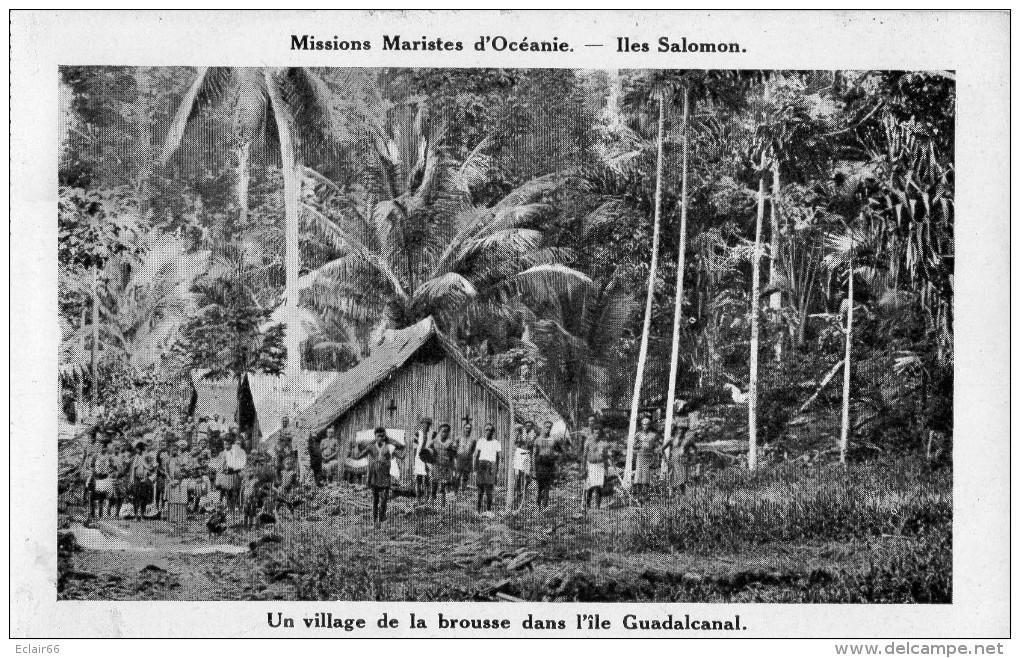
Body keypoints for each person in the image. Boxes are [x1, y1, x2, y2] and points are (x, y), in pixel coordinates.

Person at [355, 427, 405, 526]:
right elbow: (358, 456)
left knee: (384, 499)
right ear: (375, 436)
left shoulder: (389, 447)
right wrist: (358, 446)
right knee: (375, 499)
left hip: (385, 475)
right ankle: (374, 519)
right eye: (378, 436)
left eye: (383, 436)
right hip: (374, 475)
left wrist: (389, 439)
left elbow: (401, 453)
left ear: (385, 436)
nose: (381, 438)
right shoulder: (370, 447)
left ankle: (381, 519)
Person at [663, 413, 696, 497]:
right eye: (679, 429)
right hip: (673, 461)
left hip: (682, 461)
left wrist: (691, 459)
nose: (681, 431)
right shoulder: (672, 439)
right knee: (673, 479)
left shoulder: (687, 440)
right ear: (676, 430)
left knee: (682, 480)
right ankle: (671, 496)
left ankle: (683, 496)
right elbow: (661, 449)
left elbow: (695, 449)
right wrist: (666, 460)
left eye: (683, 429)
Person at [532, 420, 562, 508]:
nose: (548, 429)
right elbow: (534, 455)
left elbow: (561, 452)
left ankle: (545, 506)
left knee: (547, 486)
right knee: (540, 486)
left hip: (550, 465)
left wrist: (557, 462)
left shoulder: (553, 440)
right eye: (546, 427)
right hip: (540, 465)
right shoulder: (537, 440)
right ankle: (538, 505)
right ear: (543, 428)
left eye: (550, 428)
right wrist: (534, 470)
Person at [473, 423, 501, 514]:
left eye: (490, 430)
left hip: (491, 465)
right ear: (484, 431)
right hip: (481, 465)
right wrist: (475, 469)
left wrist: (497, 470)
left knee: (489, 490)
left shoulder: (496, 443)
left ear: (493, 432)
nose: (488, 432)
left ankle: (488, 511)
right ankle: (478, 510)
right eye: (486, 430)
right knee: (480, 489)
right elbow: (476, 455)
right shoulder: (480, 441)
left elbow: (498, 457)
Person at [217, 433, 247, 517]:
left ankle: (234, 509)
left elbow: (239, 464)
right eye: (225, 443)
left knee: (234, 492)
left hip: (234, 476)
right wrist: (222, 468)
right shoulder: (222, 454)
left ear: (231, 444)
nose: (226, 445)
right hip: (225, 477)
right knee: (226, 493)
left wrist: (234, 467)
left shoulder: (235, 453)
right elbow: (219, 465)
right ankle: (227, 509)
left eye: (228, 443)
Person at [632, 415, 660, 502]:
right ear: (641, 425)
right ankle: (638, 496)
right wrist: (639, 445)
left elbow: (657, 445)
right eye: (644, 424)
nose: (645, 426)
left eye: (647, 424)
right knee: (638, 477)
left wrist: (656, 451)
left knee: (646, 477)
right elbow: (633, 445)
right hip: (640, 456)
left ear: (650, 425)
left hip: (648, 457)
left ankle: (646, 495)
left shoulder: (653, 435)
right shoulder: (638, 434)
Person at [583, 427, 611, 510]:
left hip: (600, 466)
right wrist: (584, 467)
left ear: (601, 434)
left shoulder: (603, 444)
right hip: (591, 465)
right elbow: (584, 456)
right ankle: (587, 505)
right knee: (590, 487)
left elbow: (606, 458)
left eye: (598, 433)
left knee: (599, 487)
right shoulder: (588, 442)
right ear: (593, 433)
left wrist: (606, 470)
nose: (597, 435)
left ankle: (597, 506)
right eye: (595, 433)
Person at [89, 436, 116, 519]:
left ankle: (101, 513)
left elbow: (113, 467)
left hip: (105, 478)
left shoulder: (109, 457)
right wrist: (95, 472)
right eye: (101, 447)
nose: (103, 449)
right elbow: (91, 465)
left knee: (103, 497)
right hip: (96, 477)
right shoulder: (95, 456)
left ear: (106, 448)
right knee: (92, 494)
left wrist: (109, 472)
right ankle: (92, 512)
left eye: (104, 448)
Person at [163, 440, 189, 525]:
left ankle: (181, 519)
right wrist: (170, 481)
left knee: (181, 500)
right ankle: (172, 518)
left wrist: (180, 478)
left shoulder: (180, 459)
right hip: (171, 482)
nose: (174, 451)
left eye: (175, 450)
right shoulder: (168, 460)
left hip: (180, 482)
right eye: (172, 450)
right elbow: (166, 472)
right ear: (170, 451)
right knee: (172, 500)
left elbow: (184, 469)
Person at [428, 423, 454, 505]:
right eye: (442, 431)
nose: (444, 433)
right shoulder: (434, 441)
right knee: (434, 485)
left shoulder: (450, 443)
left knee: (443, 486)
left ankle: (443, 506)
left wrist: (452, 469)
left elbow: (452, 457)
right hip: (436, 466)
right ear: (439, 432)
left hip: (445, 467)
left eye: (446, 432)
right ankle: (431, 503)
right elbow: (428, 451)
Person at [129, 441, 153, 518]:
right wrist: (132, 479)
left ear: (141, 449)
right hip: (136, 479)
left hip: (144, 479)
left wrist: (145, 477)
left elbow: (150, 467)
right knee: (136, 497)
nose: (136, 450)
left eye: (138, 449)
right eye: (136, 449)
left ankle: (142, 514)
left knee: (143, 497)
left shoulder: (146, 457)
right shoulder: (134, 458)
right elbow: (132, 469)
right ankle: (136, 515)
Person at [512, 423, 534, 506]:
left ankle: (524, 490)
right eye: (527, 425)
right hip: (519, 453)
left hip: (527, 454)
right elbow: (515, 442)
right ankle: (518, 492)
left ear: (531, 427)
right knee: (518, 474)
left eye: (530, 426)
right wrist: (518, 433)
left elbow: (532, 446)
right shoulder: (520, 433)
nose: (528, 427)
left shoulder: (532, 434)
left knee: (527, 475)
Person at [412, 417, 433, 498]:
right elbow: (415, 448)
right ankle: (418, 497)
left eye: (428, 424)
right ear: (422, 424)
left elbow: (434, 446)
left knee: (428, 478)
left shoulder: (432, 434)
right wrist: (415, 461)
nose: (426, 425)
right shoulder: (417, 434)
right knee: (418, 478)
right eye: (424, 423)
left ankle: (427, 497)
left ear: (430, 425)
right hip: (419, 458)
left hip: (428, 458)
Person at [453, 423, 475, 494]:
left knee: (465, 476)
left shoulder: (473, 440)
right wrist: (456, 458)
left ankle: (463, 491)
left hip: (468, 460)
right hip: (459, 460)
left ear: (471, 430)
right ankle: (455, 491)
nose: (468, 430)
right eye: (466, 428)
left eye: (469, 428)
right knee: (458, 476)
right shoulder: (458, 438)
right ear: (463, 429)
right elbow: (454, 448)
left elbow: (472, 450)